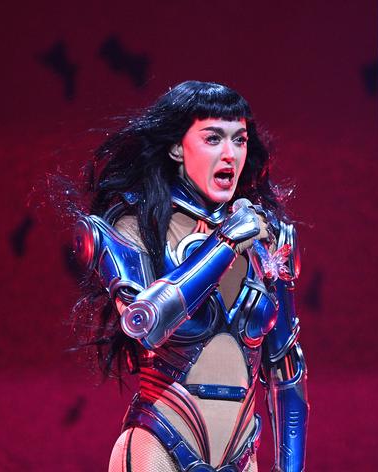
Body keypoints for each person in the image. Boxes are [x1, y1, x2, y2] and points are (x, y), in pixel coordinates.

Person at [73, 81, 308, 472]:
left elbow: (287, 370)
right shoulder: (133, 229)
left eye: (239, 139)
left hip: (240, 456)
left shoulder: (268, 238)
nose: (230, 153)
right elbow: (145, 323)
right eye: (213, 138)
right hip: (160, 448)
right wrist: (226, 242)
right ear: (177, 148)